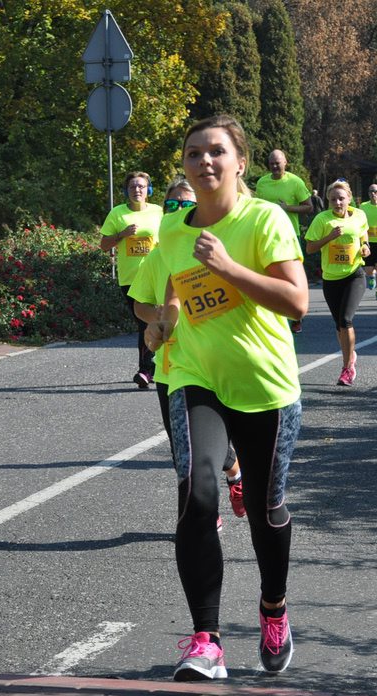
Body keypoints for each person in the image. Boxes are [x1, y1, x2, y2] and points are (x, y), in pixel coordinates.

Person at [145, 115, 307, 680]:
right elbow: (170, 295)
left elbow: (297, 302)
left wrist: (230, 268)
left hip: (266, 386)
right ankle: (206, 641)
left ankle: (273, 609)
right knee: (197, 493)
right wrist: (161, 324)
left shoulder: (265, 219)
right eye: (194, 153)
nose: (204, 161)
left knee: (265, 511)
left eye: (216, 151)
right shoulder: (172, 231)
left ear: (241, 163)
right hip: (196, 377)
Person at [128, 178, 244, 526]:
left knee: (200, 446)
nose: (179, 210)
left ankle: (206, 507)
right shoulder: (159, 255)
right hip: (172, 366)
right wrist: (157, 317)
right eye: (173, 204)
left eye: (187, 203)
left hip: (216, 361)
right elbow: (139, 304)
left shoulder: (222, 249)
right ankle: (220, 491)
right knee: (183, 449)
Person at [100, 171, 163, 389]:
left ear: (148, 190)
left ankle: (147, 370)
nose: (137, 190)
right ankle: (151, 368)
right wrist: (122, 235)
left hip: (156, 275)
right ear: (126, 191)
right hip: (131, 278)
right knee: (144, 322)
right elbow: (104, 245)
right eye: (132, 187)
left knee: (154, 321)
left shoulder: (159, 212)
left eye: (141, 186)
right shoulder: (118, 213)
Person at [305, 180, 370, 385]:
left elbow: (363, 233)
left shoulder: (359, 215)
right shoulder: (322, 219)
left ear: (349, 198)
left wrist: (366, 246)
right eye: (333, 199)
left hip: (354, 274)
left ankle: (347, 368)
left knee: (345, 319)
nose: (337, 203)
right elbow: (310, 248)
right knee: (339, 325)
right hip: (331, 279)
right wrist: (329, 237)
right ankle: (350, 354)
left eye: (341, 198)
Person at [255, 150, 311, 333]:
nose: (274, 166)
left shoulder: (295, 182)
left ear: (285, 162)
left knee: (292, 277)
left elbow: (309, 207)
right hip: (266, 235)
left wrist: (288, 208)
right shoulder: (262, 182)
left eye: (277, 163)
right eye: (271, 163)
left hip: (289, 235)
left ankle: (296, 317)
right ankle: (273, 317)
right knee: (269, 276)